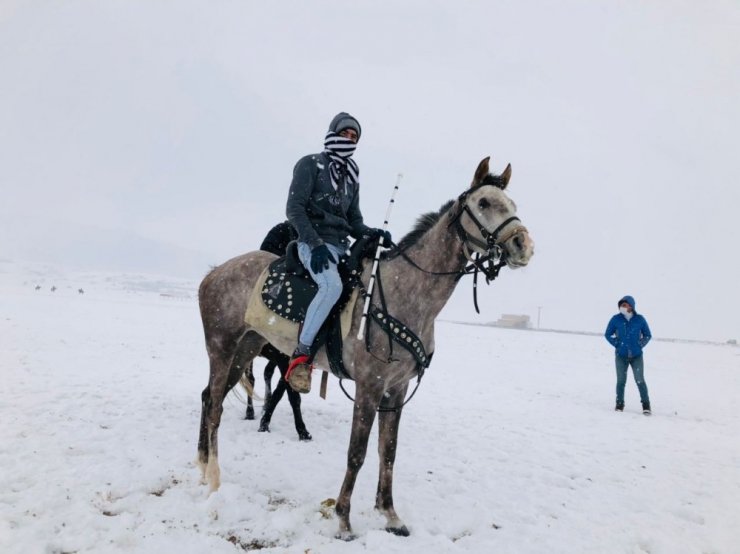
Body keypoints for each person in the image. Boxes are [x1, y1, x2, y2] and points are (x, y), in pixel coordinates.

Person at [284, 112, 390, 393]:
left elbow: (354, 221)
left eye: (354, 137)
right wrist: (315, 244)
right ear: (333, 132)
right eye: (345, 134)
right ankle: (301, 355)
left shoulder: (352, 175)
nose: (349, 139)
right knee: (331, 287)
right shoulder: (310, 164)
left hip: (342, 247)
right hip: (312, 245)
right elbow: (294, 209)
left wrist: (372, 233)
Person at [604, 295, 653, 414]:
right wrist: (617, 344)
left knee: (640, 380)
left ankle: (646, 405)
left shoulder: (640, 319)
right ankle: (619, 404)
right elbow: (607, 334)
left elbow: (647, 335)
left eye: (625, 305)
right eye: (621, 305)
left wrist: (640, 344)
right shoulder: (616, 319)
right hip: (621, 356)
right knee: (621, 381)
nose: (622, 307)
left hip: (637, 356)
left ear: (631, 306)